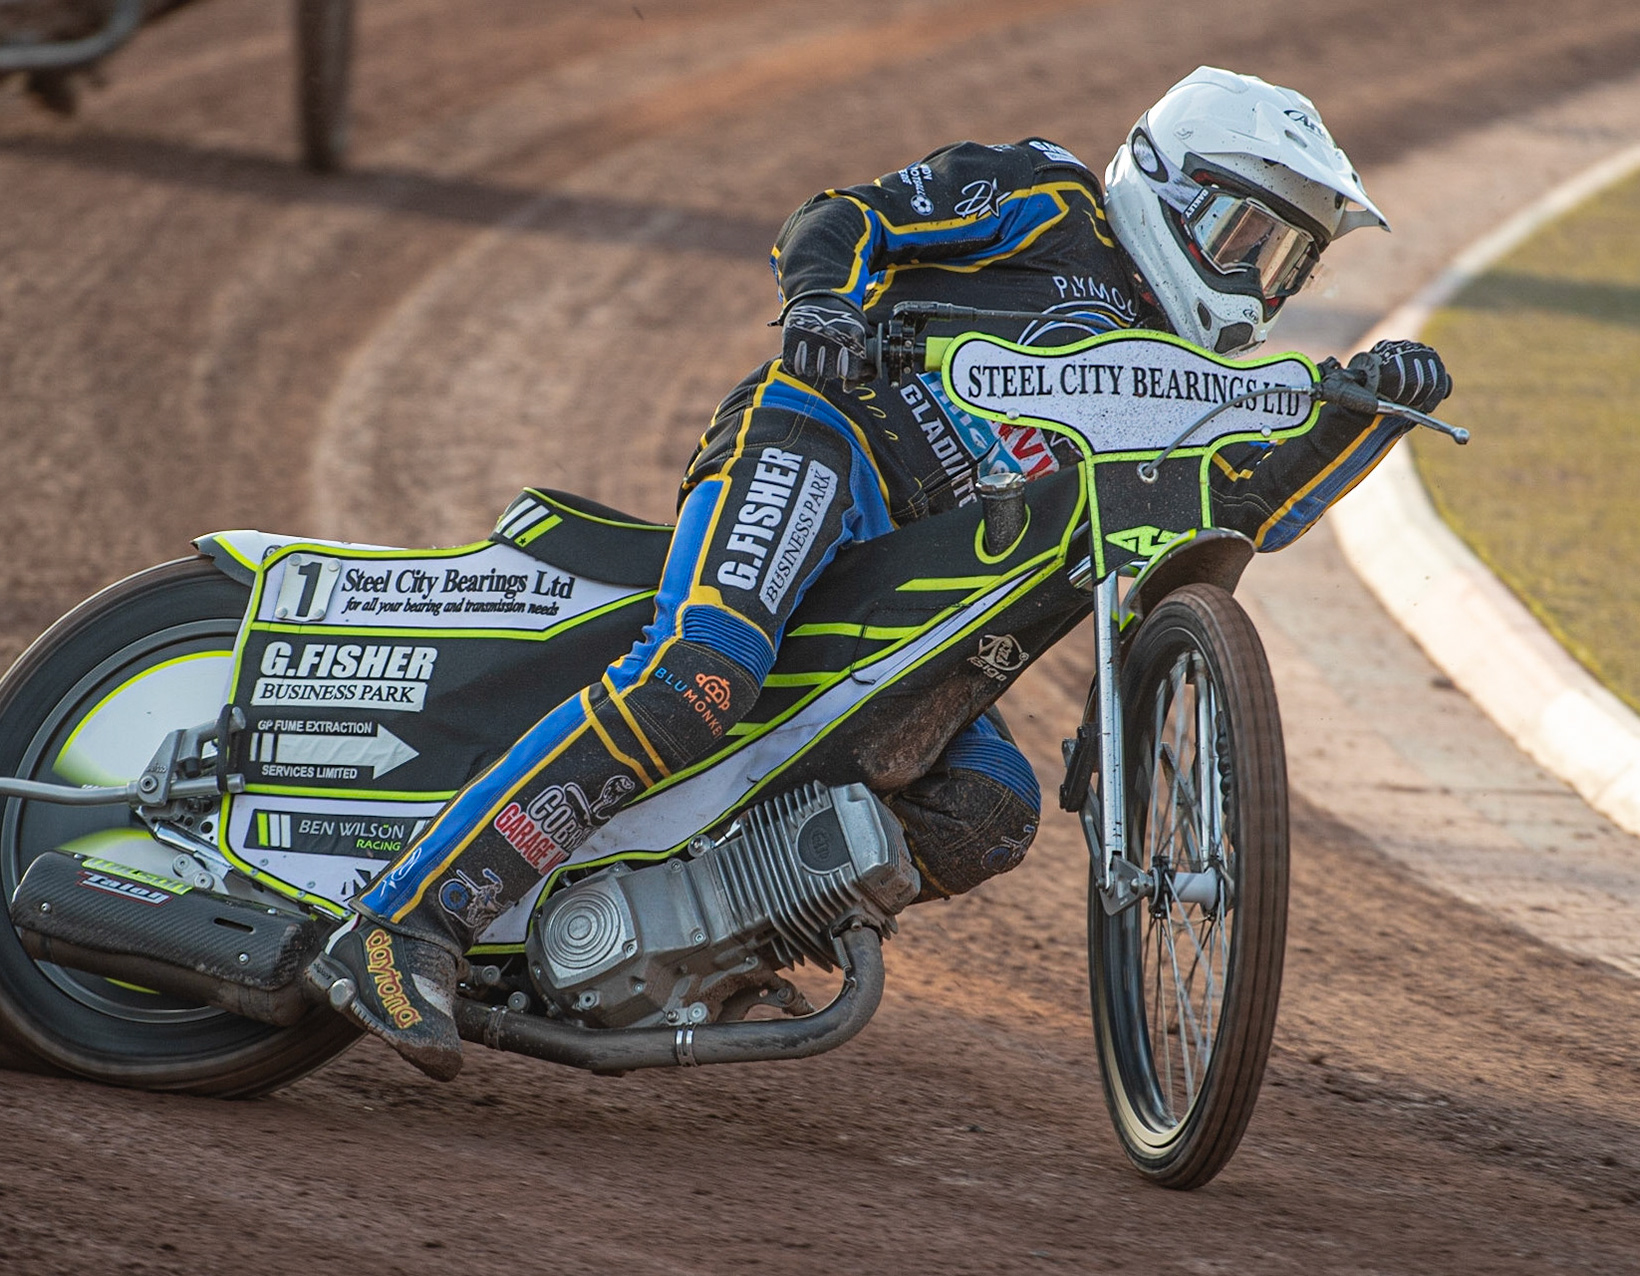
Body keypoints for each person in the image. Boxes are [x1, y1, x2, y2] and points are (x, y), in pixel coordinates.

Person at [304, 66, 1454, 1080]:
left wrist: (1371, 412)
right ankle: (403, 923)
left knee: (986, 807)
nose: (1260, 281)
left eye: (1286, 260)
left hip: (924, 586)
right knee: (705, 671)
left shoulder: (1195, 391)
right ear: (1171, 187)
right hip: (825, 439)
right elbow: (844, 214)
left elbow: (1249, 508)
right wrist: (821, 305)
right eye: (1246, 239)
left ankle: (699, 943)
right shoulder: (1049, 198)